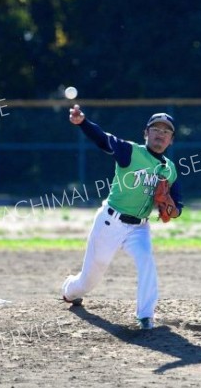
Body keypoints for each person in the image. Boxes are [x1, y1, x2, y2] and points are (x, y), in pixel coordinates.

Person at [61, 104, 184, 329]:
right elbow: (102, 139)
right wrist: (83, 123)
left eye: (166, 131)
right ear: (146, 133)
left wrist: (170, 208)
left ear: (171, 139)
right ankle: (69, 290)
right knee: (89, 279)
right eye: (155, 129)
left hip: (139, 228)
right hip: (110, 222)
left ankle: (145, 316)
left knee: (147, 262)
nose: (160, 134)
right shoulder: (130, 151)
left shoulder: (170, 169)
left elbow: (178, 207)